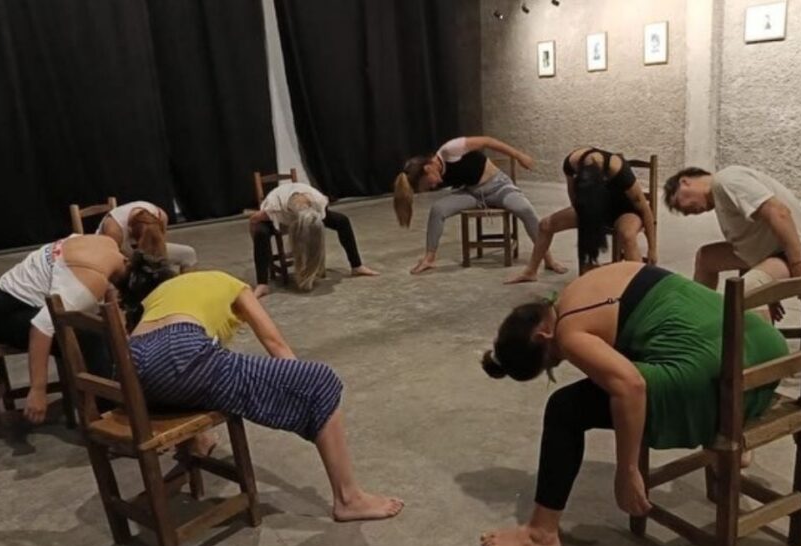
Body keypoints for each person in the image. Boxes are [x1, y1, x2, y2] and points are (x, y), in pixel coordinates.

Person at [478, 261, 787, 546]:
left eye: (553, 361)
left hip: (725, 379)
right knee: (641, 358)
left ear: (543, 336)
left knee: (565, 408)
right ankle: (729, 433)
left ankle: (540, 535)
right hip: (766, 352)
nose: (565, 359)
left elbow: (631, 387)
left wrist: (627, 471)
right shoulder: (579, 288)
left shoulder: (568, 333)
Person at [120, 259, 403, 522]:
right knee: (320, 380)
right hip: (182, 349)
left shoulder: (159, 294)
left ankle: (198, 442)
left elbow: (161, 365)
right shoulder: (231, 285)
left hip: (130, 368)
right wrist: (299, 386)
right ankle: (349, 498)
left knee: (202, 373)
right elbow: (274, 343)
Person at [0, 235, 124, 424]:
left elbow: (111, 298)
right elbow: (41, 326)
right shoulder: (86, 284)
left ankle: (117, 396)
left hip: (12, 298)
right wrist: (37, 390)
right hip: (5, 315)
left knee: (101, 330)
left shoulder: (104, 244)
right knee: (91, 338)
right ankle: (106, 415)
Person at [393, 136, 564, 275]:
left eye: (428, 184)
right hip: (473, 193)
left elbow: (488, 141)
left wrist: (519, 156)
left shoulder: (451, 149)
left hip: (499, 187)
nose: (432, 187)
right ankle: (429, 258)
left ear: (428, 168)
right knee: (438, 209)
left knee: (524, 209)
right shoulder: (432, 171)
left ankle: (548, 259)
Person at [663, 166, 801, 293]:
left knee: (746, 293)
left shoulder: (726, 181)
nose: (685, 213)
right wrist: (767, 282)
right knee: (706, 258)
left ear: (684, 182)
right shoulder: (720, 194)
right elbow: (748, 245)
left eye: (679, 204)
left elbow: (779, 212)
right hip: (773, 253)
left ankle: (761, 342)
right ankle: (701, 320)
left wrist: (798, 265)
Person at [506, 147, 657, 284]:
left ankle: (639, 284)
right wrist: (586, 217)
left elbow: (645, 209)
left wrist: (652, 248)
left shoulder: (619, 171)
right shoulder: (571, 163)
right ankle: (530, 271)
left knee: (628, 234)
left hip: (625, 210)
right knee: (545, 225)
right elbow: (575, 201)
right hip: (593, 206)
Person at [249, 182, 377, 299]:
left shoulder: (319, 201)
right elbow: (253, 220)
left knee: (342, 221)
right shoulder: (273, 208)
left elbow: (317, 223)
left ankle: (357, 266)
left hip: (311, 214)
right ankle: (262, 284)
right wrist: (257, 244)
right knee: (261, 232)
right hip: (281, 214)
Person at [97, 200, 198, 271]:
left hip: (146, 252)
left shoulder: (160, 216)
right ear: (130, 230)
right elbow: (112, 260)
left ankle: (188, 287)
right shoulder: (114, 228)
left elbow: (161, 246)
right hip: (116, 255)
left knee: (188, 253)